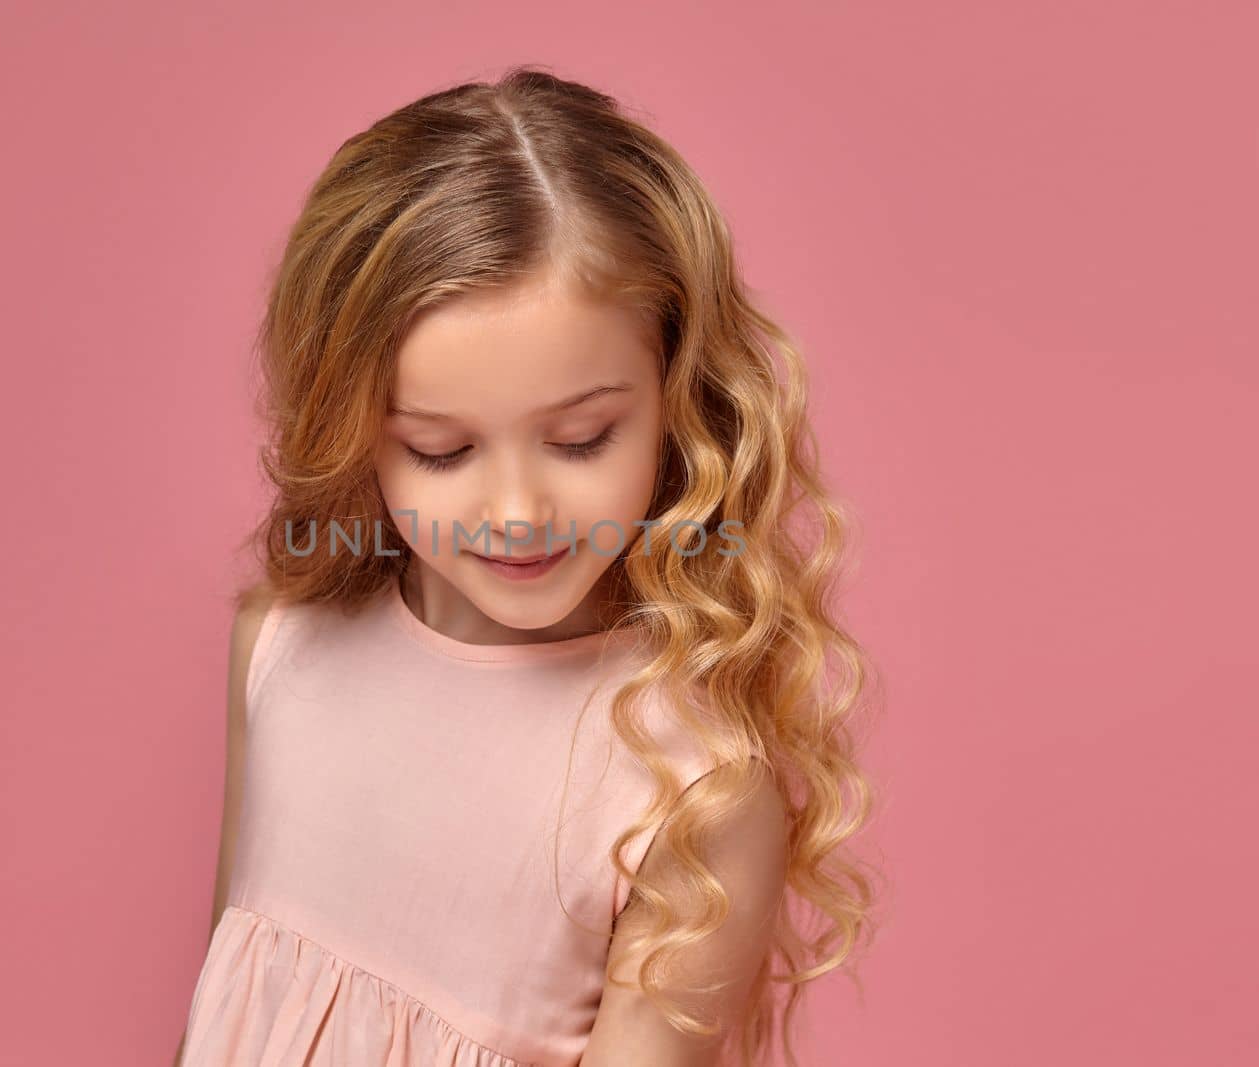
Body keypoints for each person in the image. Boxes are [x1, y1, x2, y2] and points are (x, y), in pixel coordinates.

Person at [172, 66, 879, 1067]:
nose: (515, 513)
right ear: (356, 433)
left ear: (678, 401)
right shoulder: (279, 649)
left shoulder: (695, 787)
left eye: (583, 437)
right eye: (441, 450)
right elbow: (225, 1007)